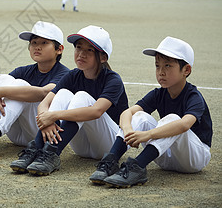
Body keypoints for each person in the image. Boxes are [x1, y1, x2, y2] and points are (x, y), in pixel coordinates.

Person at [90, 36, 212, 188]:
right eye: (157, 66)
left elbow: (184, 125)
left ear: (186, 70)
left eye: (168, 66)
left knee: (173, 119)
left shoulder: (193, 96)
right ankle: (111, 161)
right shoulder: (158, 93)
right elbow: (127, 113)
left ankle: (138, 166)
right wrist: (128, 130)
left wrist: (148, 135)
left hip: (193, 159)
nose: (161, 72)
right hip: (165, 157)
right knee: (140, 116)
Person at [10, 25, 128, 176]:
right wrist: (46, 122)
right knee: (64, 93)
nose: (81, 54)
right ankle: (36, 148)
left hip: (108, 144)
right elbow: (44, 104)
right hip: (81, 148)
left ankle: (52, 153)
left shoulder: (113, 79)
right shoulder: (73, 75)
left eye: (89, 50)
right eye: (78, 48)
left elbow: (96, 111)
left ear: (103, 57)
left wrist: (54, 116)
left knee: (82, 97)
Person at [0, 21, 70, 160]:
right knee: (4, 78)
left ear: (59, 49)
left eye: (44, 43)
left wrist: (0, 92)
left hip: (40, 132)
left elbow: (44, 92)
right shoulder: (25, 70)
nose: (37, 47)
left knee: (20, 85)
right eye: (34, 42)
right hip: (15, 133)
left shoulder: (64, 73)